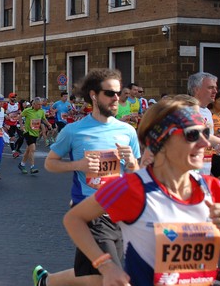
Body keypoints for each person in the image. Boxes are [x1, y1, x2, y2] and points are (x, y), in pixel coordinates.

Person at [63, 99, 220, 286]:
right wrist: (106, 265)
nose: (204, 143)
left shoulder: (212, 188)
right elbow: (74, 219)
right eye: (192, 135)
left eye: (205, 133)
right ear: (161, 141)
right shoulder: (133, 187)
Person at [33, 68, 140, 286]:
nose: (117, 98)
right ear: (94, 95)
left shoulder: (127, 131)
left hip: (119, 213)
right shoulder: (74, 131)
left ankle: (47, 281)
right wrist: (78, 165)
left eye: (119, 93)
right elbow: (50, 163)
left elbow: (137, 174)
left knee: (94, 277)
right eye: (110, 93)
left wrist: (132, 163)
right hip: (89, 213)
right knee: (114, 276)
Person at [188, 72, 220, 179]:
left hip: (206, 167)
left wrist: (217, 146)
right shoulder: (187, 109)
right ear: (196, 89)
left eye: (215, 87)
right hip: (189, 170)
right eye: (210, 87)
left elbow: (208, 139)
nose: (215, 91)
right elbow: (201, 135)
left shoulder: (207, 112)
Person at [18, 97, 52, 174]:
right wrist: (22, 126)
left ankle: (22, 164)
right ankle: (32, 167)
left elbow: (43, 119)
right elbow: (19, 117)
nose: (40, 106)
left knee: (28, 150)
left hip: (35, 132)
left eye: (41, 104)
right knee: (32, 149)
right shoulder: (27, 110)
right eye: (38, 105)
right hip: (27, 132)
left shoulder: (41, 111)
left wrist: (48, 124)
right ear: (34, 104)